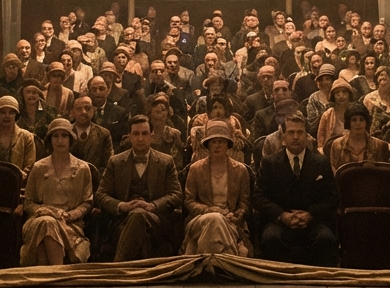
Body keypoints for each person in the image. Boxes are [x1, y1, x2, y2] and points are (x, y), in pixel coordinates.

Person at [253, 113, 339, 265]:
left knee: (326, 239)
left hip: (313, 223)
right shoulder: (270, 163)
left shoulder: (320, 162)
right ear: (283, 137)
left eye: (300, 132)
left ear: (306, 136)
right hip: (279, 223)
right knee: (270, 239)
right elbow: (258, 197)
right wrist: (282, 215)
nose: (295, 137)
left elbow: (332, 197)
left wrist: (311, 215)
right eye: (291, 132)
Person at [95, 115, 183, 261]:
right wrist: (122, 205)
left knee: (139, 214)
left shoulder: (166, 161)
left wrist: (152, 205)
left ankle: (119, 267)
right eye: (136, 134)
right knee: (137, 219)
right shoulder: (115, 162)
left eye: (144, 133)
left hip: (156, 222)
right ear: (129, 136)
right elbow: (101, 194)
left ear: (152, 135)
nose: (140, 138)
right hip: (122, 221)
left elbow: (176, 194)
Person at [21, 118, 94, 266]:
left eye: (64, 136)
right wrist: (45, 210)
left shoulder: (82, 168)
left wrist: (70, 215)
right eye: (56, 136)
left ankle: (45, 277)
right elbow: (28, 202)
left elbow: (87, 202)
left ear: (70, 139)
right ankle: (58, 271)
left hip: (69, 223)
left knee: (47, 227)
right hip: (38, 219)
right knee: (47, 222)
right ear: (50, 140)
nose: (60, 140)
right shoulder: (38, 167)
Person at [182, 120, 251, 255]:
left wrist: (236, 216)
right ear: (208, 145)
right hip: (200, 220)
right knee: (214, 218)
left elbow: (244, 203)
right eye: (214, 142)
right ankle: (232, 254)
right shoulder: (195, 169)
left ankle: (206, 265)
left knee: (217, 223)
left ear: (228, 144)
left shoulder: (240, 170)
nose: (217, 146)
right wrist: (210, 210)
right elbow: (189, 201)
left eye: (221, 141)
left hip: (230, 220)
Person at [0, 96, 37, 173]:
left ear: (16, 115)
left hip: (17, 182)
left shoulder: (27, 137)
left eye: (11, 113)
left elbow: (29, 166)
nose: (7, 116)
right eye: (3, 112)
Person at [328, 102, 390, 171]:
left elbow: (383, 174)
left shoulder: (380, 145)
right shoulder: (337, 145)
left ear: (366, 122)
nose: (358, 123)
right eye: (354, 120)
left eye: (361, 120)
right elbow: (336, 173)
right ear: (348, 123)